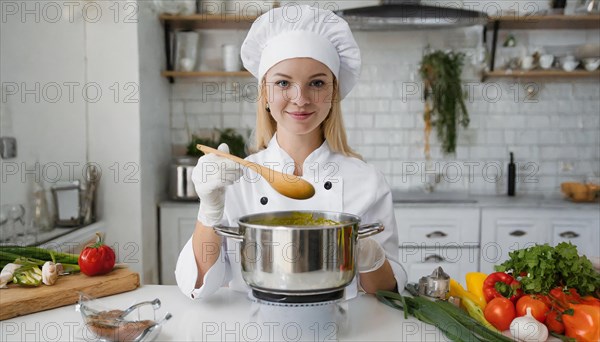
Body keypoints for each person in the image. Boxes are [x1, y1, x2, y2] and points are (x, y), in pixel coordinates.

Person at [175, 4, 407, 300]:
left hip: (341, 328)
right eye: (284, 82)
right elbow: (198, 286)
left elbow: (388, 292)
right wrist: (208, 211)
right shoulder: (237, 178)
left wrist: (369, 256)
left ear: (333, 93)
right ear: (265, 94)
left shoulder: (366, 181)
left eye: (317, 83)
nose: (301, 99)